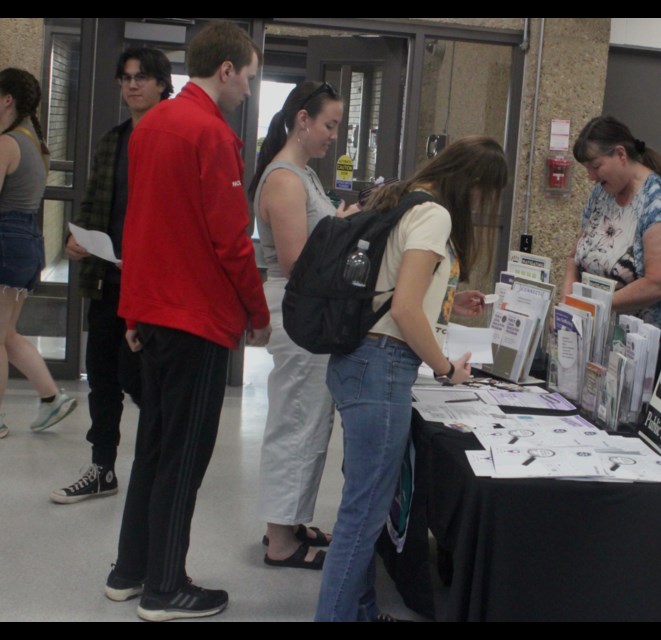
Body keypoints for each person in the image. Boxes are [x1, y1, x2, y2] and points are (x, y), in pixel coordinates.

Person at [105, 22, 270, 622]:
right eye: (249, 77)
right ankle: (165, 586)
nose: (249, 90)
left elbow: (137, 227)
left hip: (155, 313)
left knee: (153, 445)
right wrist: (257, 312)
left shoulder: (151, 129)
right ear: (226, 70)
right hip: (196, 320)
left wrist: (132, 309)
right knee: (184, 456)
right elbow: (231, 242)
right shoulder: (211, 135)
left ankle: (131, 569)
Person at [314, 136, 505, 622]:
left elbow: (394, 285)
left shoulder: (400, 194)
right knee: (362, 519)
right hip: (381, 367)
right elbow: (403, 308)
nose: (484, 207)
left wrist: (449, 304)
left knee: (363, 507)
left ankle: (359, 610)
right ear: (473, 183)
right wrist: (445, 369)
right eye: (486, 195)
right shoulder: (435, 213)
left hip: (356, 360)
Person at [50, 47, 172, 504]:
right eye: (125, 78)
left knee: (141, 379)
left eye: (141, 77)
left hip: (155, 288)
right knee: (101, 374)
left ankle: (161, 464)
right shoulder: (112, 140)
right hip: (109, 280)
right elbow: (93, 203)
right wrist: (76, 240)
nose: (131, 85)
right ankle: (103, 467)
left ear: (162, 83)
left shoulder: (173, 138)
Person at [251, 80, 357, 570]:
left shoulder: (303, 174)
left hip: (307, 311)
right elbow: (296, 261)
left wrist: (338, 224)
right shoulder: (285, 179)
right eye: (329, 125)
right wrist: (341, 232)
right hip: (296, 311)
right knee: (296, 421)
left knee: (311, 420)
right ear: (302, 120)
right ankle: (280, 541)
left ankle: (290, 520)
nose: (333, 135)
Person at [564, 115, 661, 371]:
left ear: (621, 154)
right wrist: (567, 307)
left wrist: (594, 305)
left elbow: (659, 283)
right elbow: (575, 256)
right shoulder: (603, 193)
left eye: (596, 166)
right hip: (603, 333)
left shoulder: (660, 202)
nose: (590, 177)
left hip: (650, 347)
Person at [0, 68, 76, 440]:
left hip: (6, 241)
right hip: (26, 242)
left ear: (7, 99)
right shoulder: (34, 142)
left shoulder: (8, 142)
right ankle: (51, 397)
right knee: (6, 334)